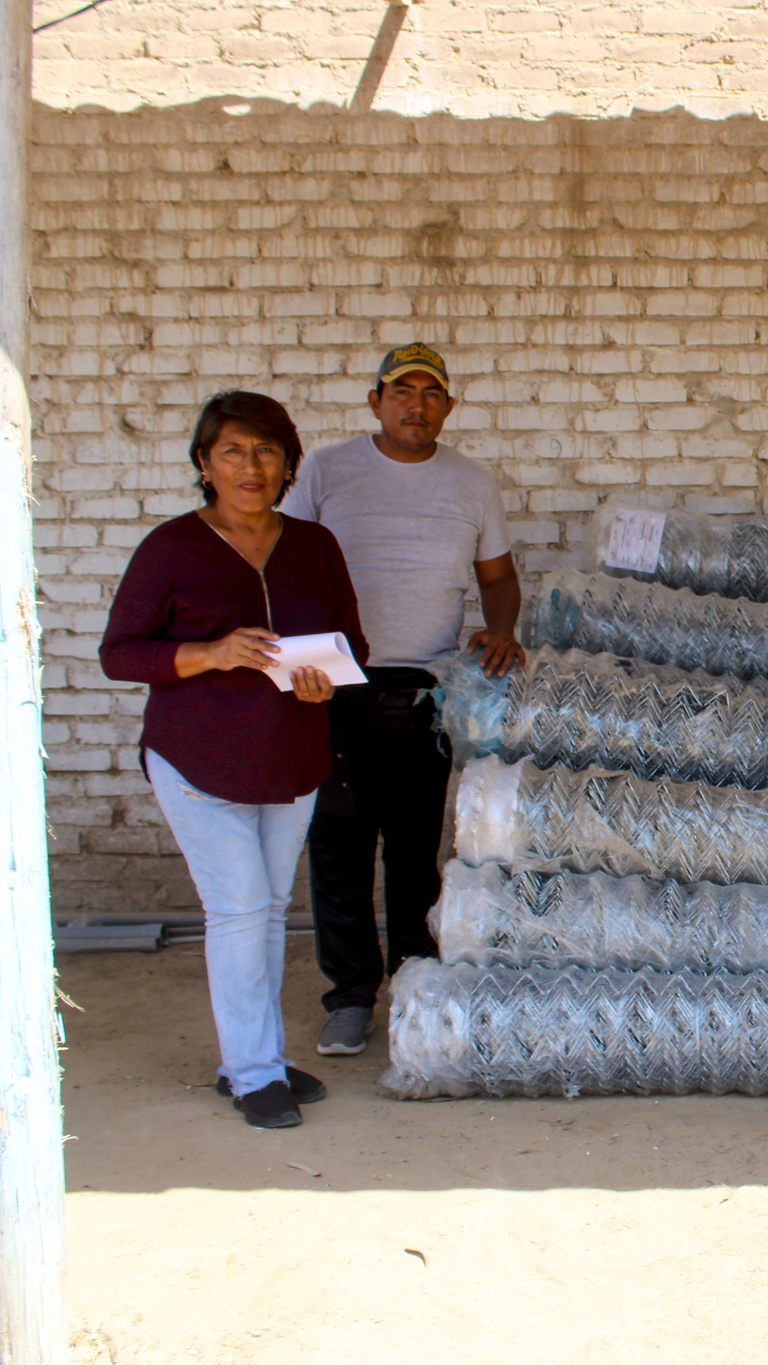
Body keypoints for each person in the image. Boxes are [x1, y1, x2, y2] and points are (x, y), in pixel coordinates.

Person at [101, 391, 368, 1130]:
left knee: (266, 911)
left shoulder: (315, 546)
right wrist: (211, 652)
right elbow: (119, 654)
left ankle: (253, 1057)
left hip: (292, 760)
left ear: (288, 465)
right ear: (204, 463)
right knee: (241, 909)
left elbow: (354, 644)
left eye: (267, 451)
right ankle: (254, 1072)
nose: (251, 466)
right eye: (233, 451)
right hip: (197, 762)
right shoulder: (172, 547)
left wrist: (325, 681)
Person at [281, 343, 524, 1057]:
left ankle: (414, 988)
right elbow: (283, 559)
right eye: (401, 391)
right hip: (331, 680)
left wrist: (501, 628)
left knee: (418, 850)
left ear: (449, 406)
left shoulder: (471, 483)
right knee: (338, 846)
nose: (416, 405)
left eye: (431, 393)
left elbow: (499, 577)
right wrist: (293, 656)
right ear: (375, 401)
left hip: (425, 689)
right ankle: (351, 996)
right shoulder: (327, 469)